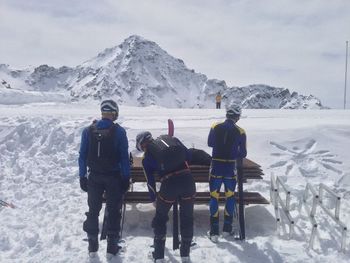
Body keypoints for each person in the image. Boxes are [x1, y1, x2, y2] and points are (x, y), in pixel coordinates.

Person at [78, 99, 130, 258]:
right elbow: (123, 158)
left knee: (93, 211)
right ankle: (112, 247)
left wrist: (82, 176)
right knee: (114, 211)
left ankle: (92, 246)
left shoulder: (88, 130)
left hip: (94, 177)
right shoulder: (119, 132)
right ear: (114, 113)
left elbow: (82, 155)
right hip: (113, 178)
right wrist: (125, 178)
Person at [136, 132, 196, 263]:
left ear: (142, 145)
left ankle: (159, 256)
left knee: (160, 218)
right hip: (188, 181)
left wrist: (153, 199)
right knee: (187, 217)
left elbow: (150, 182)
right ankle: (185, 254)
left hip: (169, 186)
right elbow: (189, 155)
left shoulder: (147, 158)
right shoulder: (171, 140)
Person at [207, 104, 247, 242]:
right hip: (230, 168)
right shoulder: (241, 131)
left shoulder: (214, 126)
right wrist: (233, 150)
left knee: (214, 197)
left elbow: (210, 143)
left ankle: (214, 232)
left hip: (216, 167)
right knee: (230, 197)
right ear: (237, 116)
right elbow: (243, 153)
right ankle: (227, 229)